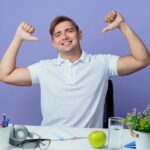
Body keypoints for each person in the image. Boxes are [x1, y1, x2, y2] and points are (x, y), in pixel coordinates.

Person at [0, 10, 149, 128]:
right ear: (54, 43)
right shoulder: (44, 67)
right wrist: (18, 38)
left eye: (69, 31)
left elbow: (142, 59)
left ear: (80, 34)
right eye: (58, 34)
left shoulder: (102, 63)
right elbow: (5, 75)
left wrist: (122, 25)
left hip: (88, 142)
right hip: (51, 140)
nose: (64, 36)